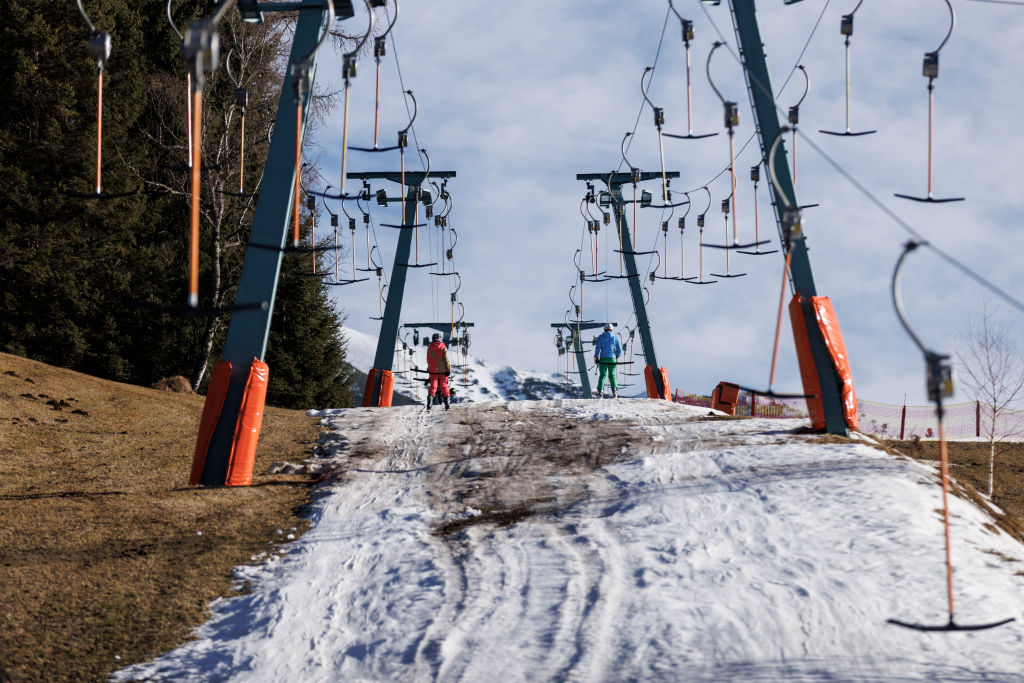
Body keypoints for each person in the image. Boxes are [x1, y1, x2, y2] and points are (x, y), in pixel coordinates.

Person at [593, 322, 621, 398]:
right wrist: (616, 357)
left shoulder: (600, 337)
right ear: (612, 329)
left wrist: (596, 357)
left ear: (604, 329)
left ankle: (600, 391)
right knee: (612, 375)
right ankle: (614, 390)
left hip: (603, 359)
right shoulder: (615, 338)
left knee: (602, 375)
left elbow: (597, 348)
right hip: (612, 359)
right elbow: (619, 350)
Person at [426, 332, 451, 411]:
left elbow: (428, 359)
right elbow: (446, 360)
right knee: (444, 387)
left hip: (433, 371)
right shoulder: (443, 347)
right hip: (443, 371)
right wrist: (448, 370)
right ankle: (447, 404)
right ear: (440, 339)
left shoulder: (429, 347)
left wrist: (431, 367)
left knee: (433, 388)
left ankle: (429, 405)